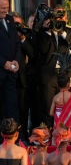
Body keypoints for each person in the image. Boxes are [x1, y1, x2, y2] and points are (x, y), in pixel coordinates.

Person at [35, 9, 71, 128]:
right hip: (48, 75)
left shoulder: (68, 31)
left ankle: (65, 132)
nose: (57, 21)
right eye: (55, 19)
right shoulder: (42, 33)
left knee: (65, 105)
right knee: (49, 106)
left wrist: (63, 33)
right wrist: (48, 31)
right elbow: (42, 50)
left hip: (63, 74)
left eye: (60, 18)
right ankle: (48, 134)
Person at [9, 11, 35, 143]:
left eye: (18, 24)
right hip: (8, 79)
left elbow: (32, 53)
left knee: (24, 111)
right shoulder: (6, 37)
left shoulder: (26, 37)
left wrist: (23, 38)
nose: (16, 27)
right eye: (14, 24)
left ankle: (23, 137)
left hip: (23, 81)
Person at [0, 0, 21, 139]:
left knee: (12, 107)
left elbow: (17, 43)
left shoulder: (9, 20)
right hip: (1, 71)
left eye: (7, 7)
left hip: (11, 73)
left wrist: (16, 60)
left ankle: (14, 138)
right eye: (3, 8)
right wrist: (3, 63)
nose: (6, 10)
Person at [49, 73, 71, 140]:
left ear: (57, 85)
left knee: (58, 139)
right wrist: (67, 116)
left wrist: (60, 117)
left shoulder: (55, 97)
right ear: (68, 84)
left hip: (58, 124)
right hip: (70, 122)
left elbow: (51, 113)